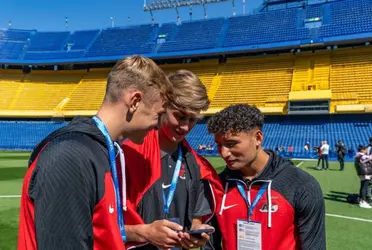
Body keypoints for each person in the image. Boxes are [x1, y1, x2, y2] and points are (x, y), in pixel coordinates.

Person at [17, 55, 173, 250]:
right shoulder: (71, 157)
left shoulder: (100, 150)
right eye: (158, 115)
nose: (158, 126)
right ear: (135, 101)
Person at [121, 70, 222, 250]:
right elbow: (101, 225)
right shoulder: (127, 155)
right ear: (163, 106)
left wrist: (198, 232)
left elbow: (195, 220)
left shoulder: (196, 165)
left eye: (192, 119)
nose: (185, 127)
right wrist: (144, 233)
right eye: (180, 116)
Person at [207, 104, 325, 250]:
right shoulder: (216, 185)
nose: (224, 153)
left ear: (258, 138)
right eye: (219, 145)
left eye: (231, 144)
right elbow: (210, 245)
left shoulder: (302, 185)